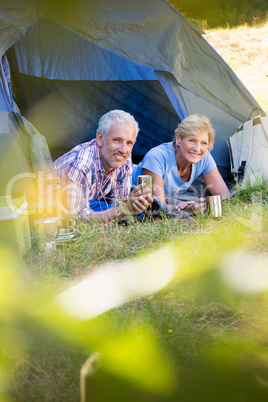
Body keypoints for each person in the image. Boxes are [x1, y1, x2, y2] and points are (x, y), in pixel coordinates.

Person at [54, 110, 153, 222]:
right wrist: (126, 208)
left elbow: (119, 201)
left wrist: (134, 205)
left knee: (135, 210)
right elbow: (78, 219)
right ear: (100, 138)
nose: (123, 150)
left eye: (129, 143)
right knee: (100, 206)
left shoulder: (123, 157)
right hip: (51, 210)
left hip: (91, 202)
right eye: (117, 140)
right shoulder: (80, 165)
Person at [133, 114, 230, 214]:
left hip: (172, 197)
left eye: (204, 143)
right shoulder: (156, 157)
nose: (197, 149)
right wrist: (187, 208)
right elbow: (157, 207)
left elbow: (224, 195)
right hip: (127, 189)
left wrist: (203, 203)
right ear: (178, 139)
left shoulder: (204, 157)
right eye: (192, 140)